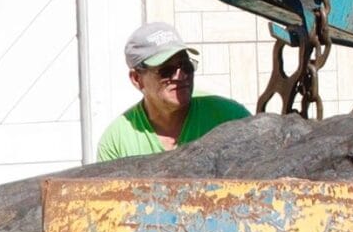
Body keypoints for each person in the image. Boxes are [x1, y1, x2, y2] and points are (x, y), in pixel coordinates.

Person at [93, 24, 251, 160]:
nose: (180, 76)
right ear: (137, 79)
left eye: (186, 66)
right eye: (166, 70)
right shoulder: (116, 142)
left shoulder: (231, 118)